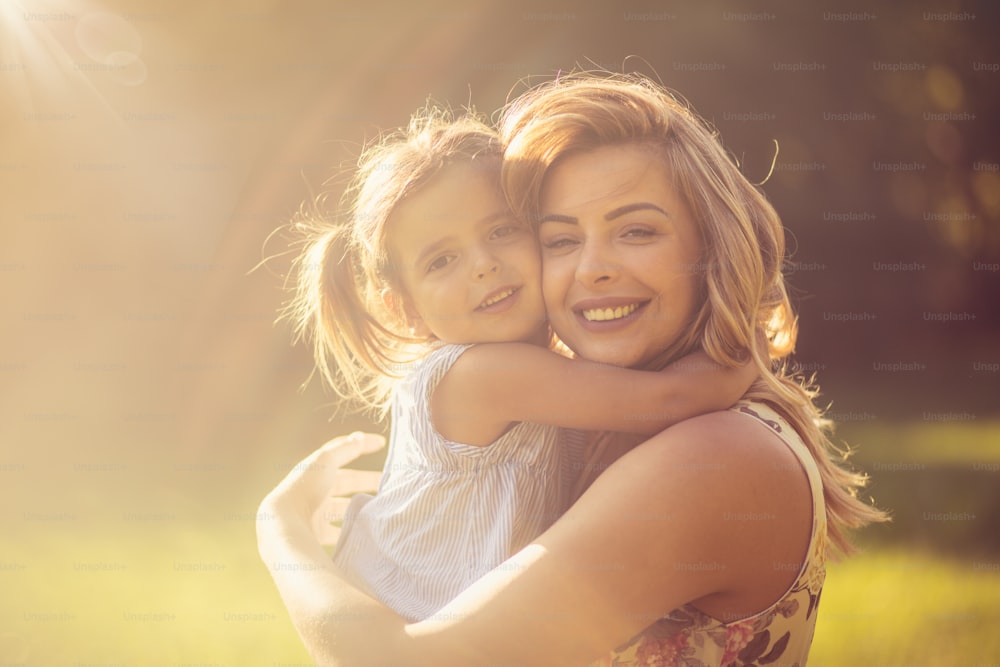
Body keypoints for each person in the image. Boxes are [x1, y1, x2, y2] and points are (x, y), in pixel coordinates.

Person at [258, 73, 888, 666]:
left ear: (712, 244)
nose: (592, 270)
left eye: (637, 230)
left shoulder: (715, 456)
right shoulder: (539, 396)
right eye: (560, 239)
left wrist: (283, 535)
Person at [280, 106, 757, 622]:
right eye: (441, 260)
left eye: (502, 231)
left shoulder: (550, 371)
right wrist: (750, 339)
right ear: (407, 308)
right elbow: (670, 400)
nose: (483, 264)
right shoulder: (477, 376)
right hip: (407, 627)